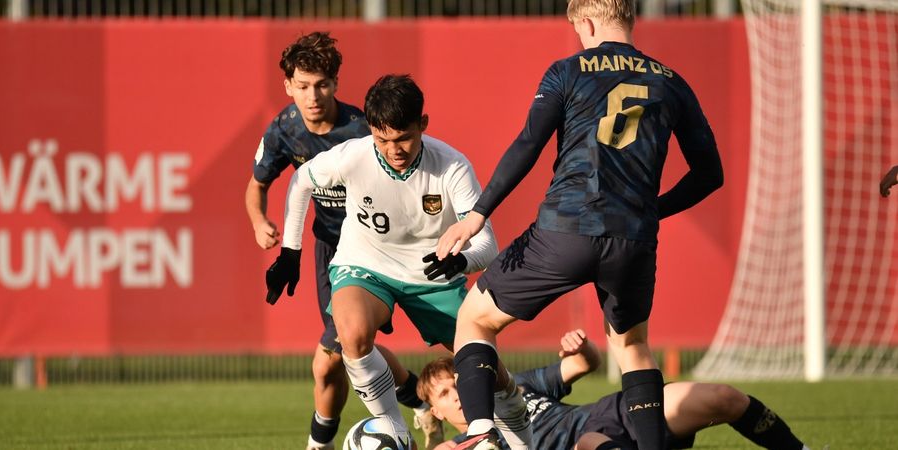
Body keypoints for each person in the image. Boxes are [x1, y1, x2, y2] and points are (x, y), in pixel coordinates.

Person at [434, 1, 725, 449]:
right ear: (629, 20)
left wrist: (477, 214)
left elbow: (528, 144)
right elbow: (711, 174)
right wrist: (652, 211)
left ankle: (479, 431)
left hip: (565, 230)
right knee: (632, 349)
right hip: (634, 240)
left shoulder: (568, 71)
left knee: (474, 320)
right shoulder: (671, 82)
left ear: (585, 23)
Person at [266, 74, 531, 450]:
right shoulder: (353, 156)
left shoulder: (451, 165)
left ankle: (522, 438)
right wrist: (290, 252)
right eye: (382, 139)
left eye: (404, 137)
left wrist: (463, 262)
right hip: (366, 264)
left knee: (491, 375)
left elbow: (487, 242)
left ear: (422, 124)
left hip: (434, 276)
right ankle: (394, 429)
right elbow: (301, 183)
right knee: (351, 333)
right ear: (372, 130)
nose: (394, 149)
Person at [246, 33, 441, 450]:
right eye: (302, 85)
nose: (312, 95)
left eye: (321, 84)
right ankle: (416, 404)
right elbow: (257, 185)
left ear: (335, 83)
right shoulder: (284, 130)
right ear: (288, 86)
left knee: (333, 356)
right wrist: (259, 221)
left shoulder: (362, 129)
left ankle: (323, 442)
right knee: (344, 349)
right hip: (330, 253)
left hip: (378, 248)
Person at [417, 329, 813, 450]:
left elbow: (585, 365)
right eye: (446, 394)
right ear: (436, 411)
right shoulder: (463, 445)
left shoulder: (516, 386)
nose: (458, 394)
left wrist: (581, 348)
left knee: (722, 398)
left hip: (611, 413)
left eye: (459, 384)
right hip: (587, 445)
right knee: (589, 444)